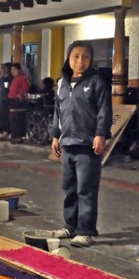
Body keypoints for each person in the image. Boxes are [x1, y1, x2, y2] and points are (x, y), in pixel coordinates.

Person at [49, 41, 112, 248]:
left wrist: (100, 134)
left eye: (85, 57)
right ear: (68, 58)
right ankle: (70, 226)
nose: (80, 61)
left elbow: (104, 110)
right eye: (75, 56)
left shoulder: (97, 82)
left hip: (88, 145)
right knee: (70, 188)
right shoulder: (61, 83)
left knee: (86, 188)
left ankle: (86, 230)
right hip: (67, 143)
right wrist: (55, 136)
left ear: (91, 60)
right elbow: (58, 112)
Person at [8, 63, 31, 142]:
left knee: (17, 118)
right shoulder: (16, 78)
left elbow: (26, 86)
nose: (13, 71)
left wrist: (20, 94)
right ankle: (15, 136)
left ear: (19, 70)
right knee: (13, 118)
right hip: (12, 99)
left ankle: (19, 137)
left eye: (14, 69)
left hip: (18, 100)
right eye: (11, 70)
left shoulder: (22, 77)